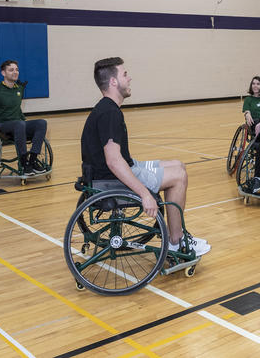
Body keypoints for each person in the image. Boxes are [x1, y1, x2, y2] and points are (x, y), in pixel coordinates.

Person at [80, 57, 210, 256]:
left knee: (178, 165)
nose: (129, 78)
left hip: (110, 174)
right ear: (113, 82)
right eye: (124, 74)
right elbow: (114, 162)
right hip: (111, 181)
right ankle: (176, 241)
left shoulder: (106, 108)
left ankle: (177, 236)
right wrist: (144, 194)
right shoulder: (109, 114)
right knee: (178, 177)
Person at [0, 60, 48, 176]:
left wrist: (26, 124)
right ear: (3, 73)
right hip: (1, 127)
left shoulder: (19, 89)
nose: (15, 72)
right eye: (11, 70)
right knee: (19, 124)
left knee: (41, 123)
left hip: (17, 126)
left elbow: (16, 109)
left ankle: (31, 162)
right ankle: (23, 162)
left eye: (17, 70)